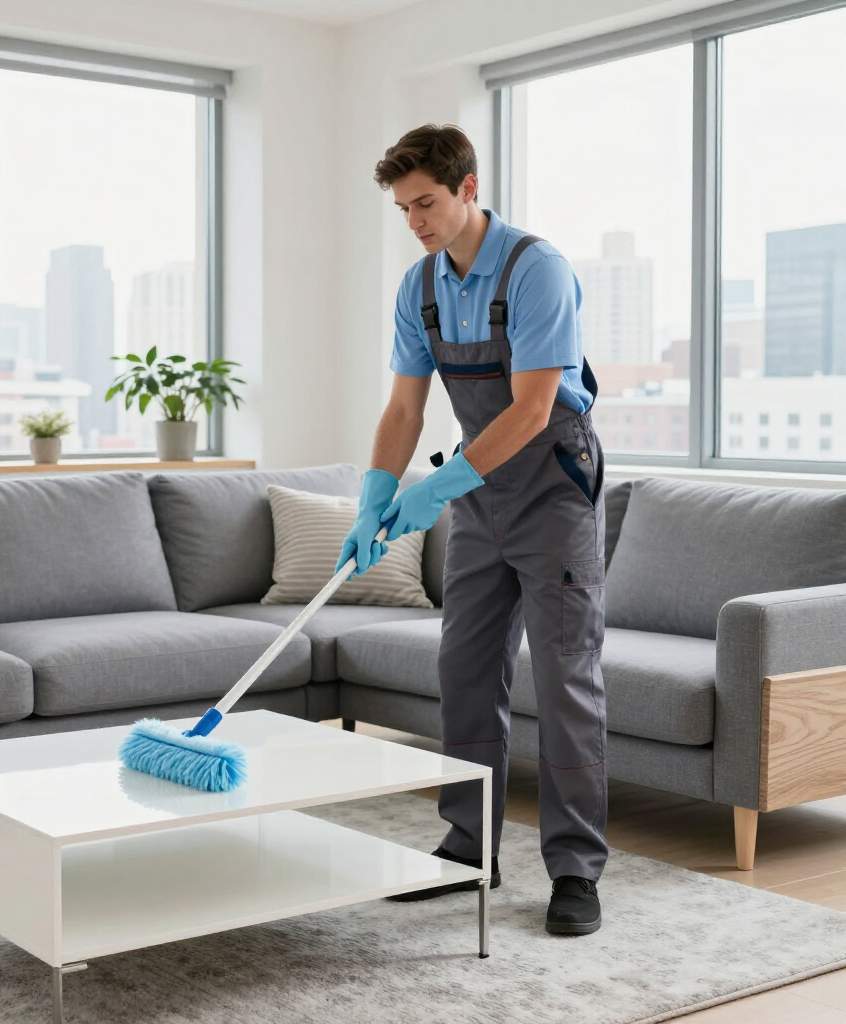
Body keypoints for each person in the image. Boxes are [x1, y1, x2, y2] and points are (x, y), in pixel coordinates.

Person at [336, 124, 607, 936]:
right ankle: (466, 846)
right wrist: (375, 496)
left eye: (426, 202)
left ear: (468, 187)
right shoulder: (419, 288)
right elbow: (403, 406)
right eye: (403, 208)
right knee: (464, 669)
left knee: (564, 680)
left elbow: (531, 407)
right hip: (483, 497)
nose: (415, 220)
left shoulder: (536, 270)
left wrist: (438, 487)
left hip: (553, 486)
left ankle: (575, 870)